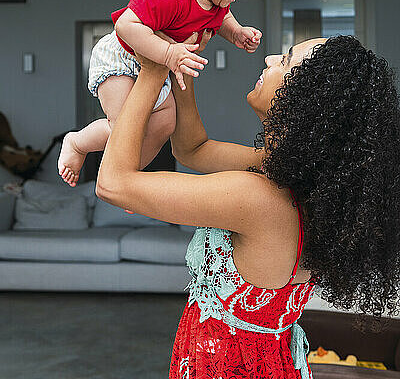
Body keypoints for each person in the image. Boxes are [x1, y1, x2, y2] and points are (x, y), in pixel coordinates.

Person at [95, 32, 400, 378]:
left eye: (285, 61)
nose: (270, 59)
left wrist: (152, 71)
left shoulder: (258, 199)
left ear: (307, 100)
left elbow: (112, 184)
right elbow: (192, 150)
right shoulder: (294, 183)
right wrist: (179, 63)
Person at [57, 0, 265, 190]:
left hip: (159, 65)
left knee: (165, 124)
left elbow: (222, 17)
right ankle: (78, 143)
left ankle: (130, 178)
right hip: (121, 55)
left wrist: (237, 33)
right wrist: (168, 53)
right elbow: (126, 25)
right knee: (125, 127)